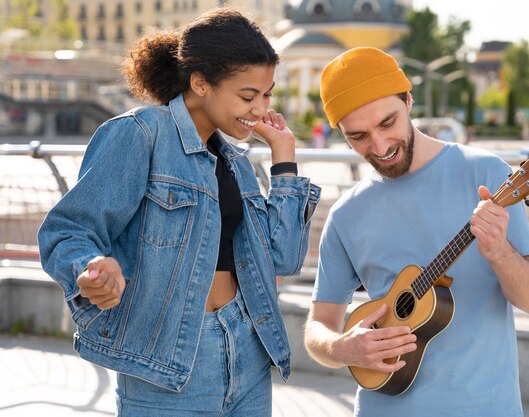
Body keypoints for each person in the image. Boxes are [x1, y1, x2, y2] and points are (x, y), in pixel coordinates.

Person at [38, 8, 320, 416]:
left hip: (249, 348)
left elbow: (285, 258)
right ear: (200, 83)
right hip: (170, 362)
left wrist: (285, 162)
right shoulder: (141, 135)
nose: (260, 109)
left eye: (267, 94)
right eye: (248, 95)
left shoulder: (238, 162)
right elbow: (67, 230)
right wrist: (91, 266)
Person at [304, 47, 529, 417]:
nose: (380, 147)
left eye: (387, 123)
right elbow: (318, 326)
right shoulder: (345, 214)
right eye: (358, 136)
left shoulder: (485, 174)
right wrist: (341, 348)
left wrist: (499, 251)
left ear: (409, 100)